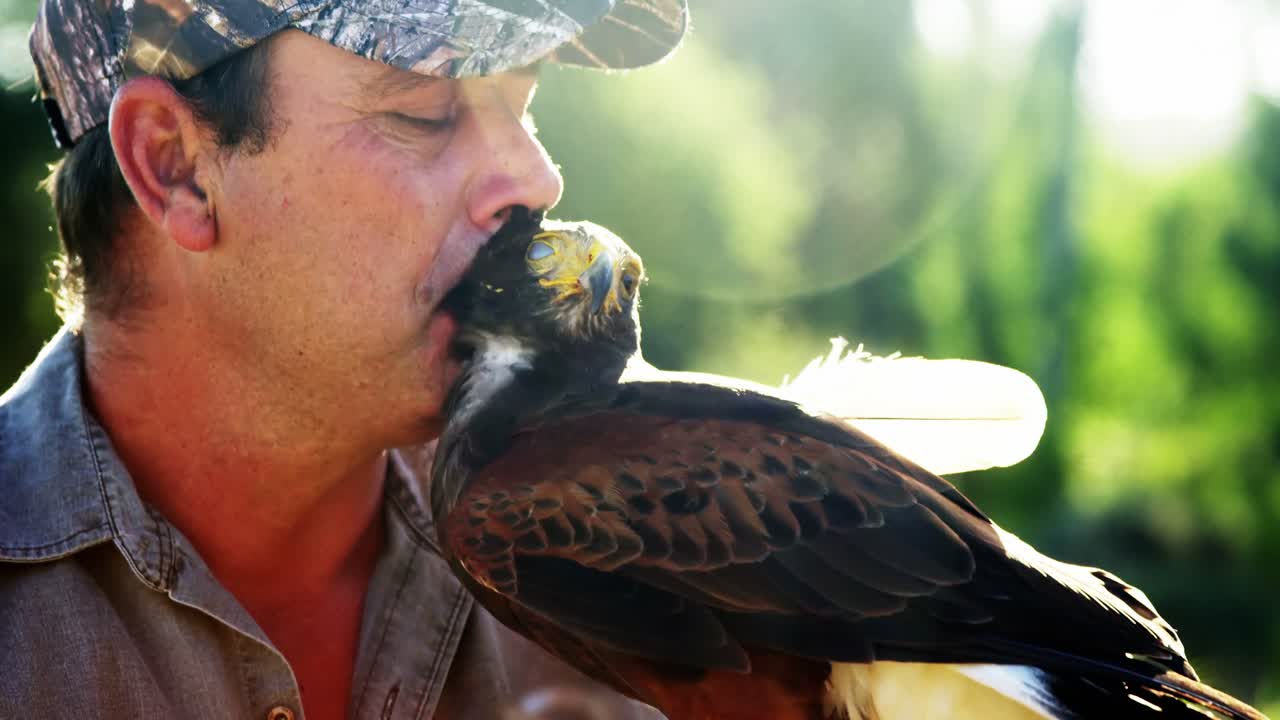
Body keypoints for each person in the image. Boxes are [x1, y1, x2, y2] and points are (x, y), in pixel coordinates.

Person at [1, 1, 685, 718]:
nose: (537, 179)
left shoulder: (631, 565)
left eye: (524, 106)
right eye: (424, 113)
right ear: (174, 165)